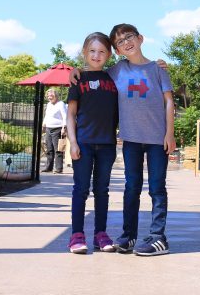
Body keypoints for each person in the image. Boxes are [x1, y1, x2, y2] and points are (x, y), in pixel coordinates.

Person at [71, 24, 175, 256]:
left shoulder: (158, 69)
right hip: (130, 140)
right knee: (131, 188)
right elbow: (92, 72)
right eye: (119, 42)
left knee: (157, 188)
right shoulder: (117, 70)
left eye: (129, 37)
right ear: (116, 50)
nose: (126, 42)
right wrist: (74, 70)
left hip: (158, 139)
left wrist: (170, 133)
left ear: (140, 38)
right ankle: (129, 236)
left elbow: (169, 101)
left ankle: (159, 238)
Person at [65, 32, 119, 254]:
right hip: (84, 144)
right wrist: (73, 142)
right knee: (81, 189)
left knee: (102, 190)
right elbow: (71, 115)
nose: (97, 55)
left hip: (107, 145)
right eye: (92, 51)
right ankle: (77, 235)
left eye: (102, 51)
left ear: (109, 54)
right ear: (84, 53)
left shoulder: (114, 78)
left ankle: (100, 234)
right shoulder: (77, 80)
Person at [41, 88, 66, 173]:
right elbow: (47, 116)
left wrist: (64, 128)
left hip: (57, 128)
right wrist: (43, 125)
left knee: (58, 149)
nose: (49, 97)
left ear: (55, 96)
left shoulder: (61, 104)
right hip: (48, 128)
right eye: (48, 96)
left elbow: (65, 116)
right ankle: (49, 167)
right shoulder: (48, 104)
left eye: (51, 96)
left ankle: (59, 168)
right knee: (49, 149)